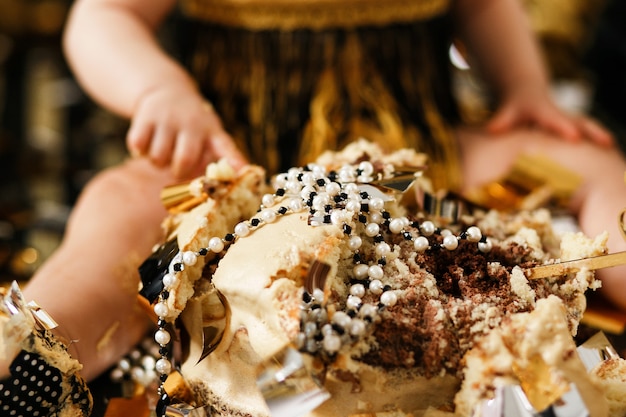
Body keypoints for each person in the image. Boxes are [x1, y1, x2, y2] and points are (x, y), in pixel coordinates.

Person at [4, 0, 625, 398]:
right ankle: (37, 351)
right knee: (123, 208)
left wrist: (525, 88)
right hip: (226, 154)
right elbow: (104, 17)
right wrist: (157, 90)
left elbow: (483, 6)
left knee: (590, 167)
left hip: (414, 151)